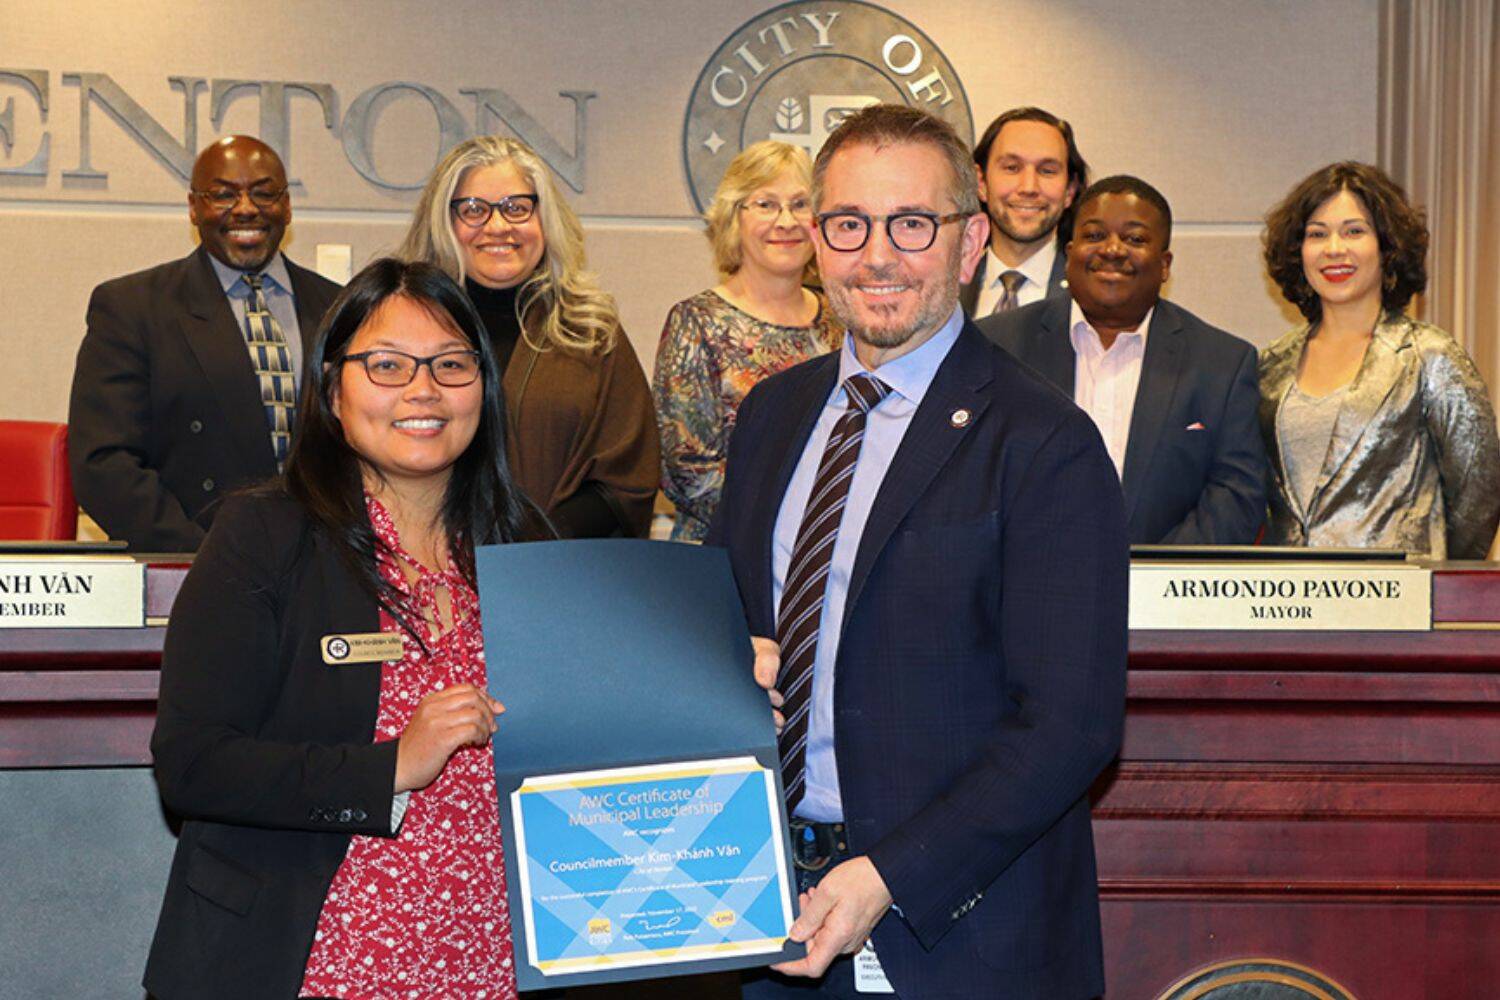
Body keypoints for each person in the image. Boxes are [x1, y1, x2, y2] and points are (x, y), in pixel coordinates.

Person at [709, 104, 1128, 999]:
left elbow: (1071, 726)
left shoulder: (1045, 442)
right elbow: (723, 622)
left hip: (957, 939)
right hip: (766, 915)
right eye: (848, 224)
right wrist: (721, 662)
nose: (877, 256)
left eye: (911, 224)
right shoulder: (773, 415)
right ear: (816, 241)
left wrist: (888, 875)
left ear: (970, 242)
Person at [144, 259, 530, 999]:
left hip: (490, 963)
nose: (424, 389)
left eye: (452, 364)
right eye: (387, 365)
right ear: (331, 390)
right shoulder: (264, 536)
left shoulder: (529, 548)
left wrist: (720, 680)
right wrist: (389, 767)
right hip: (312, 963)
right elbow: (193, 764)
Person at [68, 135, 342, 552]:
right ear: (194, 208)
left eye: (264, 193)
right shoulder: (132, 308)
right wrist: (199, 558)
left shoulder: (339, 306)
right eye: (223, 195)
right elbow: (104, 463)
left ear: (287, 206)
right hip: (191, 559)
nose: (246, 208)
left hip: (323, 561)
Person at [980, 175, 1267, 545]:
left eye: (1135, 239)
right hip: (1021, 575)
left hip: (1163, 579)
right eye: (1095, 235)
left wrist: (1151, 573)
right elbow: (968, 477)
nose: (1113, 250)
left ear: (1165, 265)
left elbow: (1235, 496)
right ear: (1070, 254)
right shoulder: (996, 346)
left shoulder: (1222, 364)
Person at [397, 135, 658, 538]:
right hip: (418, 557)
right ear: (443, 222)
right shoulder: (403, 325)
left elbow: (629, 477)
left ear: (544, 219)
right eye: (474, 209)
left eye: (517, 208)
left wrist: (534, 540)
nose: (498, 226)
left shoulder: (589, 331)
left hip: (554, 562)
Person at [1259, 161, 1500, 557]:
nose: (1334, 249)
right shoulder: (1269, 365)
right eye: (1317, 234)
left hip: (1397, 591)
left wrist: (1433, 581)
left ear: (1387, 247)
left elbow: (1479, 498)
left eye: (1354, 231)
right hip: (1289, 589)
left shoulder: (1429, 356)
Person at [653, 141, 842, 542]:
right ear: (733, 218)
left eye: (800, 204)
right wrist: (802, 518)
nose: (786, 221)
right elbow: (688, 475)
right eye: (766, 204)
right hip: (722, 555)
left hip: (829, 549)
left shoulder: (842, 320)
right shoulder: (697, 323)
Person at [959, 106, 1087, 316]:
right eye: (1012, 168)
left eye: (1047, 171)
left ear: (1070, 190)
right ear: (980, 182)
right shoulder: (946, 286)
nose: (1029, 187)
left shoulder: (1090, 295)